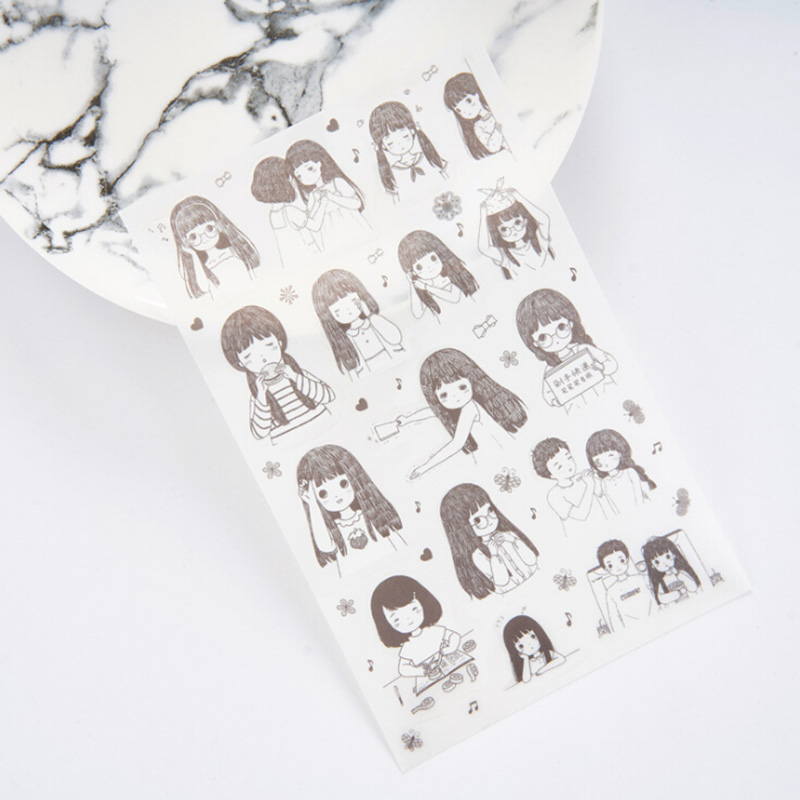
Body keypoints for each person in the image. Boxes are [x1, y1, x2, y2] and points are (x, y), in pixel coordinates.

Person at [398, 348, 527, 479]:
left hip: (496, 457)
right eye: (444, 395)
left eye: (462, 387)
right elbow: (433, 411)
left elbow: (457, 443)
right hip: (497, 456)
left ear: (472, 380)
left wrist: (424, 467)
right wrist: (408, 419)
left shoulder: (469, 408)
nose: (455, 397)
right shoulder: (467, 406)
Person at [220, 306, 334, 442]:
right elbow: (259, 434)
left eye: (269, 346)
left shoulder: (297, 374)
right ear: (240, 363)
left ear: (279, 342)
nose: (263, 358)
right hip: (289, 443)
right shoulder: (258, 395)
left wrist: (295, 377)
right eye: (249, 356)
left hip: (328, 428)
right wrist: (261, 397)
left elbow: (328, 396)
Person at [297, 444, 404, 570]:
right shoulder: (332, 528)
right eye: (323, 493)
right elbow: (325, 547)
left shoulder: (370, 514)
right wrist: (312, 504)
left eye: (343, 484)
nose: (336, 495)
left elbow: (399, 544)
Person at [516, 288, 618, 411]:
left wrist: (602, 367)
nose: (555, 338)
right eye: (543, 337)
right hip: (578, 409)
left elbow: (611, 363)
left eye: (561, 327)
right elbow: (548, 396)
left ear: (570, 323)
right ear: (535, 343)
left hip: (606, 396)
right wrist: (556, 400)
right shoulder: (551, 370)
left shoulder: (585, 350)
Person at [371, 575, 470, 694]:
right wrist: (421, 671)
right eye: (397, 619)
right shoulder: (408, 647)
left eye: (414, 609)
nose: (408, 619)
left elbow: (454, 636)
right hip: (431, 681)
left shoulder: (434, 631)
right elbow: (403, 669)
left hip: (452, 666)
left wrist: (450, 648)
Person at [439, 483, 539, 599]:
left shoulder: (508, 535)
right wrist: (494, 554)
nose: (489, 519)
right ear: (463, 528)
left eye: (490, 510)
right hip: (512, 597)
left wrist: (513, 541)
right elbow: (502, 582)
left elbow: (532, 560)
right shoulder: (478, 555)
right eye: (478, 520)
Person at [311, 269, 404, 377]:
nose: (347, 311)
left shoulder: (373, 321)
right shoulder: (345, 339)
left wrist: (370, 316)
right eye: (338, 311)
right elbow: (353, 375)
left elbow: (396, 339)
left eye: (351, 302)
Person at [285, 139, 369, 249]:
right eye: (299, 176)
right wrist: (319, 203)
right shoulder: (313, 195)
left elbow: (357, 203)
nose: (306, 177)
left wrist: (332, 197)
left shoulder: (337, 183)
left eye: (309, 168)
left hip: (353, 227)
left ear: (319, 162)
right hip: (331, 236)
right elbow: (314, 221)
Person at [170, 195, 259, 298]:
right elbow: (204, 288)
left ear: (219, 225)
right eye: (193, 237)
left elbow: (253, 273)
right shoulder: (203, 266)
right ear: (186, 242)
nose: (204, 238)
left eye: (209, 229)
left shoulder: (232, 250)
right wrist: (193, 254)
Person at [369, 101, 447, 198]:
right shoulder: (392, 172)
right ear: (383, 146)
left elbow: (447, 178)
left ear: (412, 131)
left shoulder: (429, 157)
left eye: (405, 136)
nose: (400, 144)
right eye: (391, 143)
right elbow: (396, 201)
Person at [250, 155, 320, 263]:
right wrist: (321, 202)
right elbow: (316, 225)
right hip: (307, 257)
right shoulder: (289, 211)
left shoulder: (274, 214)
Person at [397, 229, 479, 320]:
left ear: (440, 255)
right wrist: (413, 285)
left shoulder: (453, 277)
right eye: (419, 267)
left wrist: (427, 287)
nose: (429, 267)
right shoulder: (424, 291)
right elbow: (417, 314)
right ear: (412, 272)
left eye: (433, 258)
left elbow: (455, 299)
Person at [478, 180, 552, 278]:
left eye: (517, 223)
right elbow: (483, 248)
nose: (513, 230)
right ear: (497, 233)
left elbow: (544, 219)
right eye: (504, 229)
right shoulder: (504, 255)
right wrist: (483, 215)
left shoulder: (539, 239)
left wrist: (518, 197)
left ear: (525, 220)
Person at [532, 437, 605, 534]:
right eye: (559, 466)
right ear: (550, 474)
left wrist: (597, 479)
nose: (568, 465)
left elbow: (599, 494)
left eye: (568, 458)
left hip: (603, 525)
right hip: (582, 534)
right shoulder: (554, 495)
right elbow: (581, 515)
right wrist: (590, 485)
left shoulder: (582, 478)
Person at [586, 429, 656, 516]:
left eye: (610, 455)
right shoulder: (604, 482)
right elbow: (607, 503)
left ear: (620, 453)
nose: (605, 462)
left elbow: (639, 499)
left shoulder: (630, 473)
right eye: (598, 460)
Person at [443, 72, 508, 158]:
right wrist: (497, 131)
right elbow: (493, 148)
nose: (466, 111)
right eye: (459, 110)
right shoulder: (479, 126)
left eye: (468, 101)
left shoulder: (495, 107)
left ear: (476, 95)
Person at [596, 539, 653, 630]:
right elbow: (614, 619)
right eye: (610, 565)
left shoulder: (641, 578)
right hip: (632, 629)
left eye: (621, 560)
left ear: (627, 559)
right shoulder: (611, 592)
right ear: (605, 569)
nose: (617, 566)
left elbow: (653, 599)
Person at [503, 616, 564, 683]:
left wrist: (542, 670)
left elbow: (561, 659)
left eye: (532, 636)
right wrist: (526, 658)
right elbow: (526, 679)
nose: (529, 644)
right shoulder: (529, 663)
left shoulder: (547, 653)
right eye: (521, 646)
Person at [642, 536, 701, 606]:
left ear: (674, 555)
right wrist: (676, 594)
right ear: (652, 565)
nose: (665, 563)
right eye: (657, 562)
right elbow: (661, 598)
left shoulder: (681, 573)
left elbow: (693, 587)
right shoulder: (661, 581)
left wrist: (679, 574)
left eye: (668, 557)